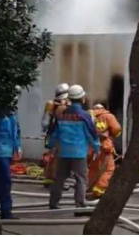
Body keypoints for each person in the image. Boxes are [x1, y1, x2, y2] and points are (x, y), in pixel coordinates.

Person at [49, 84, 99, 215]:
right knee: (81, 179)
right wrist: (96, 149)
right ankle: (80, 205)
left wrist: (50, 146)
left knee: (60, 178)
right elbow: (91, 134)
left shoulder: (62, 115)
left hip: (64, 152)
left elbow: (54, 134)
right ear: (82, 98)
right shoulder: (84, 116)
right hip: (78, 153)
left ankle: (53, 203)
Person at [87, 104, 121, 199]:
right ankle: (99, 190)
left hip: (90, 147)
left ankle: (91, 188)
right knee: (108, 169)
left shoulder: (88, 116)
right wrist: (112, 136)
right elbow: (117, 129)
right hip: (104, 147)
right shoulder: (108, 116)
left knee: (93, 169)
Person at [41, 83, 70, 187]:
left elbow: (44, 124)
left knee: (52, 157)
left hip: (52, 135)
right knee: (61, 160)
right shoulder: (66, 106)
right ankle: (58, 181)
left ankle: (49, 179)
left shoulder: (50, 104)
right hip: (62, 136)